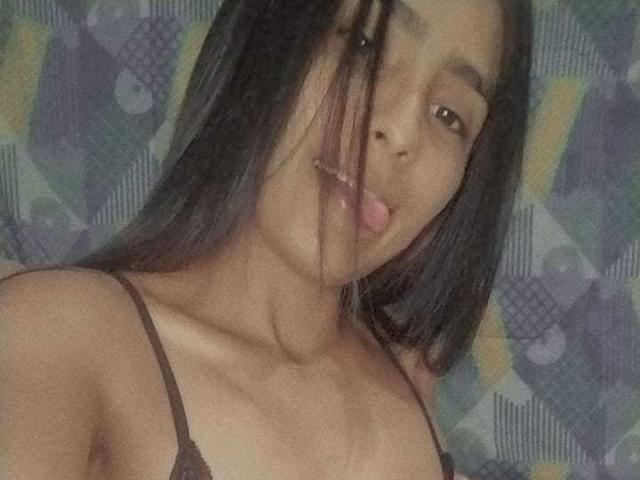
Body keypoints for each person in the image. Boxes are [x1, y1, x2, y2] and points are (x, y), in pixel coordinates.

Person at [0, 0, 532, 478]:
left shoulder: (411, 390)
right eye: (363, 46)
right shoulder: (61, 333)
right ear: (266, 38)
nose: (401, 132)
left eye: (449, 115)